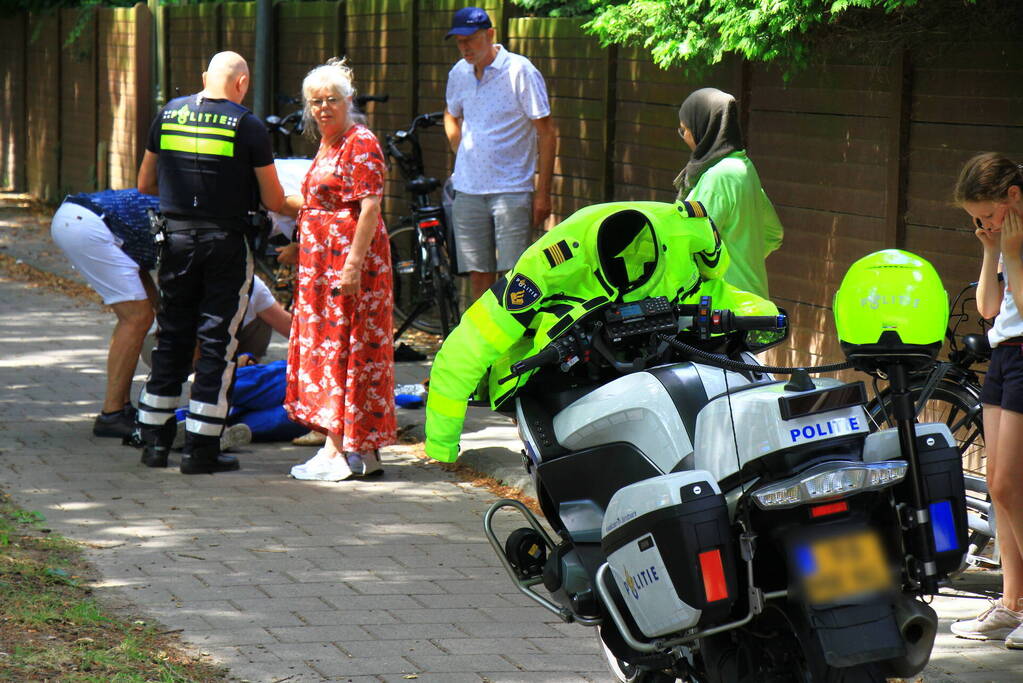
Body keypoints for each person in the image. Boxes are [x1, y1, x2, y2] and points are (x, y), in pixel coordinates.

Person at [424, 200, 779, 463]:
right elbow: (465, 349)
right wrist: (442, 446)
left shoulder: (686, 223)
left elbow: (717, 269)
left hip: (675, 331)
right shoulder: (547, 267)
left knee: (766, 317)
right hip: (566, 368)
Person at [135, 51, 288, 475]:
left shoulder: (168, 114)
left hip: (176, 241)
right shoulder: (248, 125)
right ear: (242, 84)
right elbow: (274, 200)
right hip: (225, 243)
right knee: (218, 342)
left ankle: (154, 442)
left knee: (173, 337)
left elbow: (144, 182)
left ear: (204, 77)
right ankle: (201, 449)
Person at [283, 58, 396, 482]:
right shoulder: (329, 144)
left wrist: (350, 266)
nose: (323, 107)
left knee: (345, 350)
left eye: (331, 99)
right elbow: (321, 205)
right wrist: (301, 247)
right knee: (343, 349)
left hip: (350, 267)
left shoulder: (360, 142)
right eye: (316, 102)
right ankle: (366, 452)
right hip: (321, 264)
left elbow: (369, 209)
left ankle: (335, 450)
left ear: (348, 101)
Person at [950, 152, 1023, 648]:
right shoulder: (1004, 237)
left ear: (1012, 198)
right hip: (1003, 354)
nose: (983, 224)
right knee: (999, 490)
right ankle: (1012, 603)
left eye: (987, 214)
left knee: (1008, 483)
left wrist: (1012, 253)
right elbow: (988, 308)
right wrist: (991, 249)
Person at [444, 6, 556, 302]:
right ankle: (480, 346)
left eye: (470, 39)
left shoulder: (520, 71)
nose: (464, 47)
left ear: (490, 34)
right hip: (467, 190)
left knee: (514, 278)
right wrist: (460, 149)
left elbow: (547, 132)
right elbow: (450, 113)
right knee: (478, 274)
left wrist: (542, 193)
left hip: (512, 189)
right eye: (459, 41)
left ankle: (514, 347)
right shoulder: (459, 72)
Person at [50, 189, 161, 439]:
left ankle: (121, 408)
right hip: (89, 224)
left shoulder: (194, 209)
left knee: (136, 317)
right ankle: (111, 415)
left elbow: (146, 275)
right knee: (137, 317)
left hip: (81, 219)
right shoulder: (202, 227)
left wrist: (161, 313)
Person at [675, 88, 783, 300]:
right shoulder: (743, 168)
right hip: (754, 305)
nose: (684, 137)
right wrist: (742, 258)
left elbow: (693, 245)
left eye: (684, 130)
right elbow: (773, 232)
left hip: (725, 311)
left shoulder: (718, 177)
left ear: (703, 128)